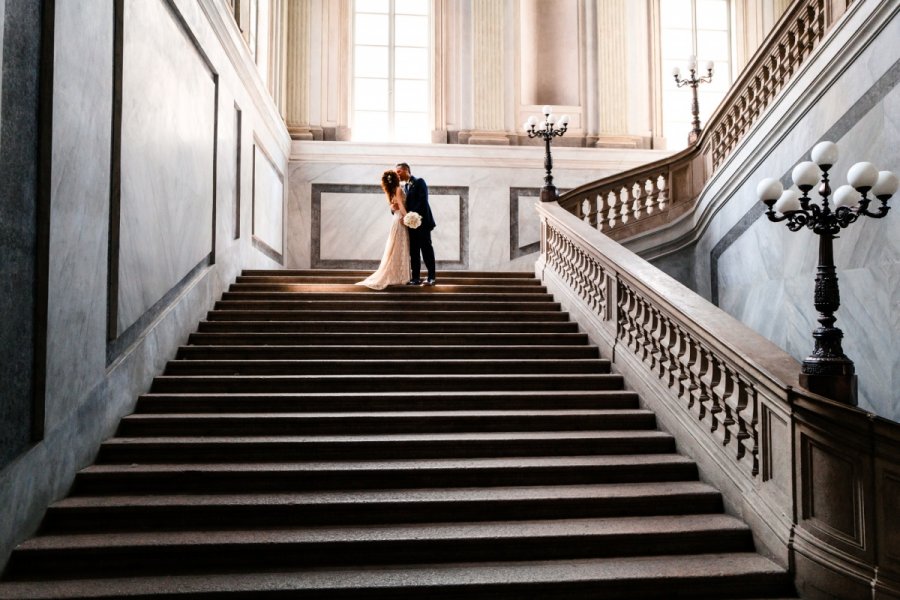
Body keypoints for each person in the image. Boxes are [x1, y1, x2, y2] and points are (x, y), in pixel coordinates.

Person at [357, 170, 411, 290]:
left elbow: (394, 205)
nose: (398, 174)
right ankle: (401, 276)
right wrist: (407, 217)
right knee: (400, 246)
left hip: (396, 219)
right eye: (396, 174)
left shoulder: (391, 191)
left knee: (397, 246)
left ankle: (400, 275)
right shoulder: (397, 189)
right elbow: (401, 206)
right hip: (400, 219)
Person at [395, 162, 436, 285]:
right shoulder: (404, 187)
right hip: (411, 225)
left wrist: (410, 216)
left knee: (426, 250)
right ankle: (415, 278)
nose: (397, 175)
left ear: (407, 170)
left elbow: (423, 201)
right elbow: (403, 206)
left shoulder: (419, 182)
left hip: (422, 223)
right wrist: (401, 214)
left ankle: (431, 277)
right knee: (414, 251)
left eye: (399, 172)